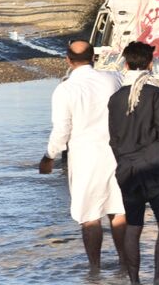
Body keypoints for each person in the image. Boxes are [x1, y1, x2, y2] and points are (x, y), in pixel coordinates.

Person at [39, 41, 128, 272]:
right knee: (118, 211)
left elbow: (62, 129)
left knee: (89, 216)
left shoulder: (65, 89)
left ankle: (95, 269)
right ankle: (125, 263)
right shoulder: (113, 78)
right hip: (117, 153)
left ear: (68, 60)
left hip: (85, 158)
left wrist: (50, 156)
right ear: (94, 58)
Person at [107, 42, 159, 285]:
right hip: (155, 167)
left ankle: (134, 282)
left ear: (126, 64)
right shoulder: (156, 93)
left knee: (133, 226)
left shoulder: (116, 98)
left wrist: (123, 162)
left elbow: (114, 139)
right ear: (150, 64)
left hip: (127, 169)